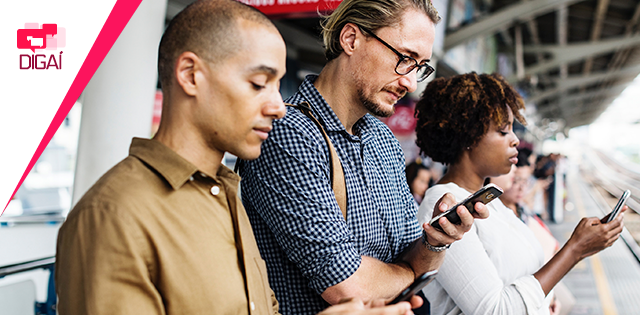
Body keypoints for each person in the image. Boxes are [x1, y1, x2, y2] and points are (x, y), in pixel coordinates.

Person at [55, 1, 422, 314]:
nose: (279, 107)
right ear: (190, 75)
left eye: (278, 85)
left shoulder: (226, 196)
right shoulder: (113, 215)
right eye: (259, 84)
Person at [238, 1, 489, 314]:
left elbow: (416, 257)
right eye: (404, 59)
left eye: (420, 67)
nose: (410, 82)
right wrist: (408, 272)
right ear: (351, 39)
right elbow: (346, 286)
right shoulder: (289, 133)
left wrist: (435, 242)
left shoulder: (383, 140)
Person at [414, 72, 625, 315]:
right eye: (504, 132)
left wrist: (548, 296)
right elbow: (497, 310)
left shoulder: (489, 200)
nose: (515, 140)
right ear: (468, 136)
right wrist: (575, 250)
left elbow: (526, 279)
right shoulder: (443, 206)